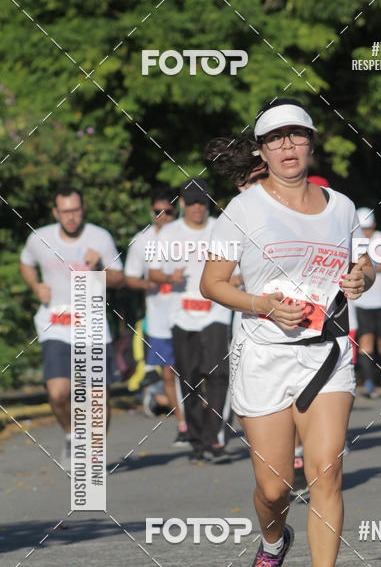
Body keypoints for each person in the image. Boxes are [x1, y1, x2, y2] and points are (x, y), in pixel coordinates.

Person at [201, 97, 375, 567]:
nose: (287, 146)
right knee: (274, 487)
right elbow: (212, 284)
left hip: (327, 354)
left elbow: (361, 264)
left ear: (311, 142)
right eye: (275, 139)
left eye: (296, 136)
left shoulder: (341, 207)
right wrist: (264, 306)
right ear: (262, 150)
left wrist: (362, 278)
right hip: (263, 355)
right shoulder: (244, 209)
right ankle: (273, 542)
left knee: (326, 470)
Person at [19, 184, 124, 466]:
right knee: (58, 392)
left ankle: (95, 453)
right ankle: (72, 436)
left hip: (92, 327)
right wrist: (35, 286)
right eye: (65, 212)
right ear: (56, 212)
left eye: (76, 210)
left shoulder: (100, 238)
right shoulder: (39, 238)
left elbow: (118, 279)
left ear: (83, 208)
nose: (71, 217)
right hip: (55, 324)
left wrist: (99, 267)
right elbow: (25, 263)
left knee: (97, 397)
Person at [148, 178, 232, 463]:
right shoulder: (169, 233)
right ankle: (197, 441)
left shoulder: (223, 227)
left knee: (218, 374)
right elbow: (153, 273)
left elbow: (243, 269)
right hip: (181, 316)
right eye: (193, 202)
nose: (198, 207)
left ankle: (215, 439)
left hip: (216, 312)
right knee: (191, 379)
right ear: (182, 203)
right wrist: (169, 278)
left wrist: (232, 281)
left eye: (203, 202)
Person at [124, 186, 189, 446]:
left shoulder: (189, 235)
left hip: (189, 312)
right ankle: (183, 424)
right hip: (160, 318)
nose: (163, 217)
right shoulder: (142, 240)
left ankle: (204, 419)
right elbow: (130, 277)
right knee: (168, 373)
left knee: (194, 371)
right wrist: (146, 285)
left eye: (169, 212)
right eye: (157, 212)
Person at [354, 208, 381, 397]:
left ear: (374, 225)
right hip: (363, 301)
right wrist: (380, 267)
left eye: (368, 228)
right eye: (362, 228)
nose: (366, 232)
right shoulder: (353, 241)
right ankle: (369, 381)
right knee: (366, 341)